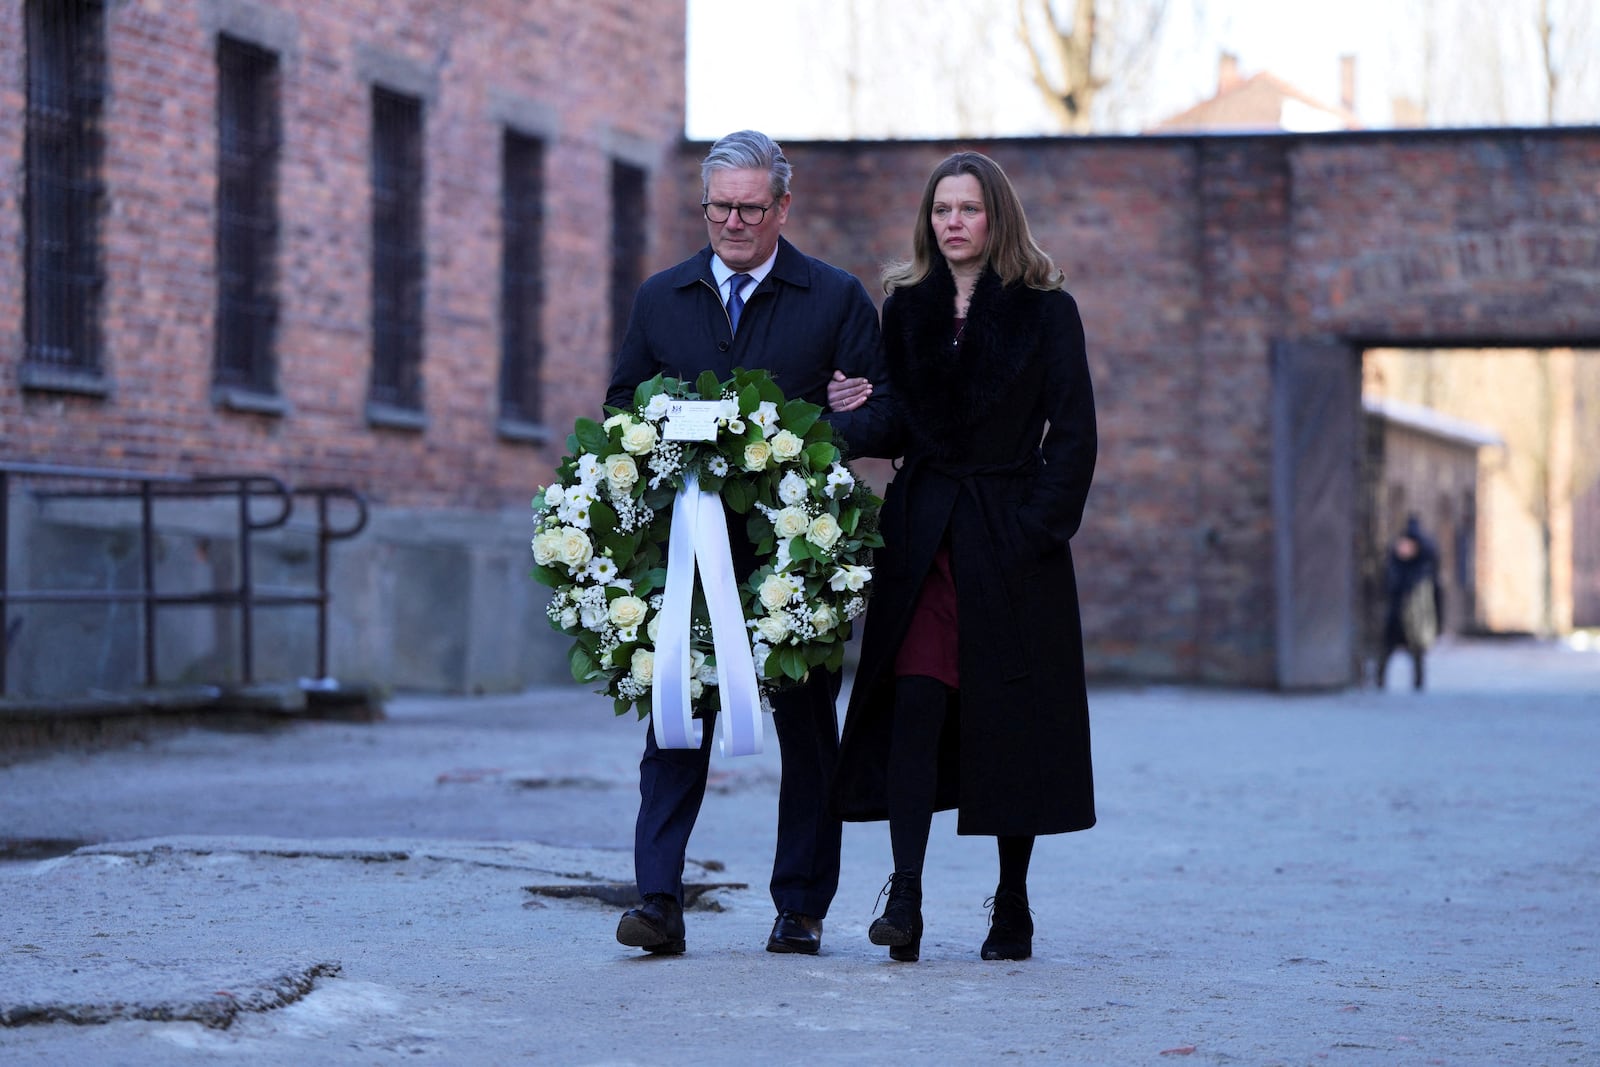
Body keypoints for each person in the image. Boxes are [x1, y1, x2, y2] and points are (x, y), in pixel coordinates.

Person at [605, 130, 894, 957]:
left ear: (782, 208)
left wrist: (834, 420)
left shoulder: (834, 298)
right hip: (690, 549)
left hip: (795, 557)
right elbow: (622, 401)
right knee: (673, 718)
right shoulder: (662, 297)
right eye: (719, 207)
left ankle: (799, 907)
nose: (732, 222)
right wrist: (659, 427)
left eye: (749, 208)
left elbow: (884, 415)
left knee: (808, 733)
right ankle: (657, 899)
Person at [830, 151, 1098, 963]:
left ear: (997, 218)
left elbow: (1076, 432)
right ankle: (904, 896)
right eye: (941, 209)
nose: (952, 221)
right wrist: (852, 410)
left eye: (968, 209)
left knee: (1008, 719)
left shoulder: (1048, 310)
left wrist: (1034, 527)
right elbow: (898, 429)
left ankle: (1011, 902)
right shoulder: (904, 306)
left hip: (1011, 540)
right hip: (925, 539)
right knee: (914, 704)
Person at [1376, 514, 1443, 691]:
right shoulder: (1394, 567)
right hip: (1396, 616)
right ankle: (1379, 683)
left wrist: (1435, 625)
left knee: (1416, 655)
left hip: (1415, 620)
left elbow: (1432, 599)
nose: (1404, 549)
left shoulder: (1422, 572)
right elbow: (1384, 590)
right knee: (1385, 652)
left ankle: (1418, 685)